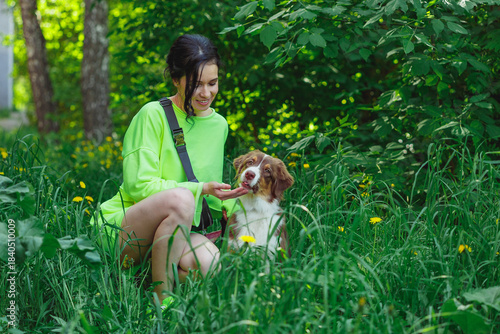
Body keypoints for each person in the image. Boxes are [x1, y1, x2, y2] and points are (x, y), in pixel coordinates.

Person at [92, 34, 248, 306]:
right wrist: (198, 190)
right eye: (196, 84)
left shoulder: (219, 125)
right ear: (176, 79)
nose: (206, 93)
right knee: (182, 198)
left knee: (211, 265)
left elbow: (209, 195)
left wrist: (239, 213)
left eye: (213, 83)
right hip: (126, 229)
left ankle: (147, 277)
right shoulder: (152, 115)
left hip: (179, 230)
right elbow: (138, 186)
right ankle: (161, 304)